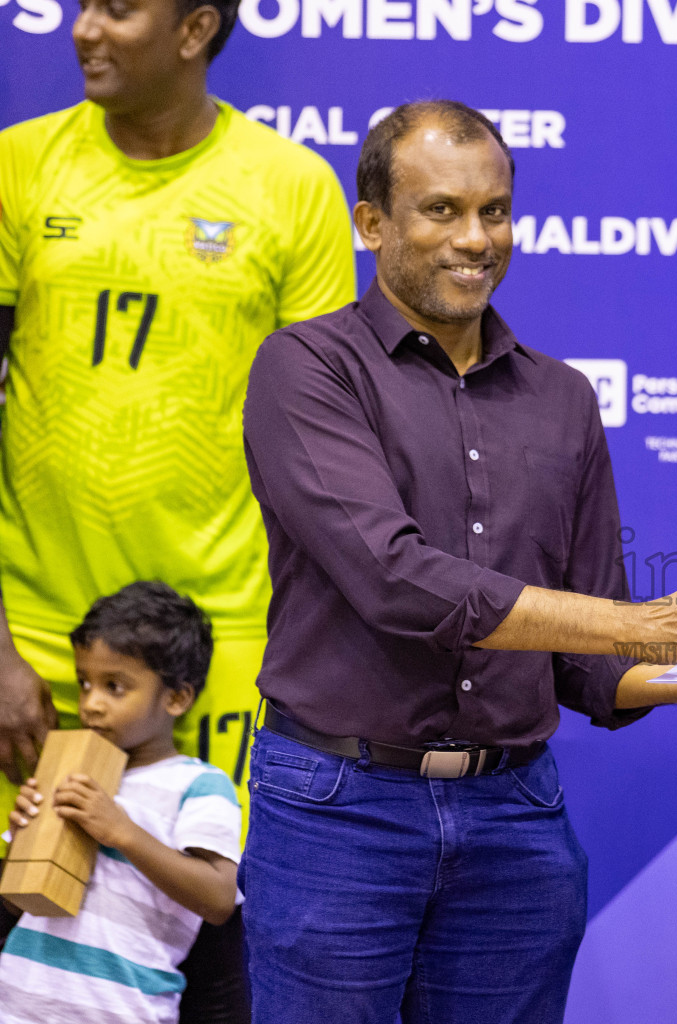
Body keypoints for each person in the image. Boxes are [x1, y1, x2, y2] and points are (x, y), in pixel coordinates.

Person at [239, 99, 677, 1024]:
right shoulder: (307, 368)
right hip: (339, 811)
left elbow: (592, 667)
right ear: (371, 223)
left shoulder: (563, 397)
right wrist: (640, 624)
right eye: (441, 210)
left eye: (495, 210)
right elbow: (396, 580)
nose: (476, 238)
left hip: (515, 820)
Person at [0, 0, 355, 1013]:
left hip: (224, 650)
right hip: (30, 649)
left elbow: (323, 449)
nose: (82, 29)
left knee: (200, 939)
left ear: (197, 28)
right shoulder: (17, 166)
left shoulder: (290, 188)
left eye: (118, 8)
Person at [0, 582, 241, 1024]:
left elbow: (219, 898)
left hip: (126, 1011)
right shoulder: (67, 767)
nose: (90, 703)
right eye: (84, 683)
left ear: (176, 697)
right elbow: (17, 906)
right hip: (18, 1005)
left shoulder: (200, 784)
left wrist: (122, 832)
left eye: (115, 686)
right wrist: (23, 839)